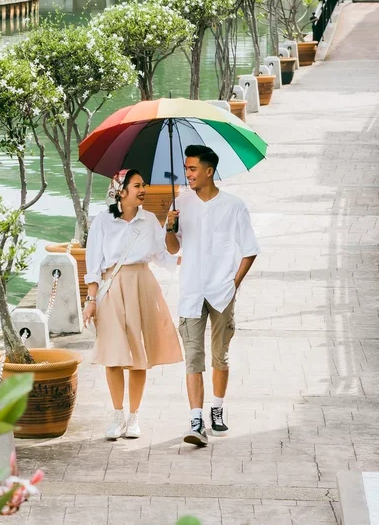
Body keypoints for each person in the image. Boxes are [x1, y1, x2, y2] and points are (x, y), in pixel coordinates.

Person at [165, 144, 259, 447]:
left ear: (209, 171)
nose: (188, 174)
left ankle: (216, 409)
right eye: (186, 168)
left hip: (221, 291)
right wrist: (169, 228)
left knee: (220, 355)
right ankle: (196, 420)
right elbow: (172, 249)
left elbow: (250, 249)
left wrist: (234, 283)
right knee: (193, 356)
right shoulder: (180, 204)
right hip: (191, 290)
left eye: (192, 168)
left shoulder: (234, 206)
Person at [83, 169, 183, 441]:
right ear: (121, 190)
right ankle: (117, 416)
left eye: (144, 185)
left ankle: (134, 416)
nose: (143, 190)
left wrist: (171, 229)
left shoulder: (148, 220)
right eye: (137, 185)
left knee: (139, 355)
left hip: (141, 286)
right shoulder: (102, 221)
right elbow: (93, 265)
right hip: (112, 288)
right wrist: (91, 300)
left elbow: (162, 255)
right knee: (113, 354)